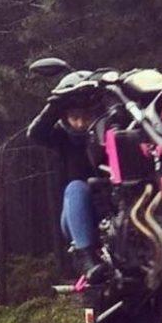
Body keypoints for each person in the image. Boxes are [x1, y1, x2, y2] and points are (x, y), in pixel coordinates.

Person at [27, 71, 108, 283]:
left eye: (86, 116)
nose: (81, 123)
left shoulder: (107, 134)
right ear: (65, 118)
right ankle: (86, 258)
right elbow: (36, 133)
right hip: (76, 217)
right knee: (76, 188)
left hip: (111, 208)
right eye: (75, 117)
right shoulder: (61, 138)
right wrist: (54, 107)